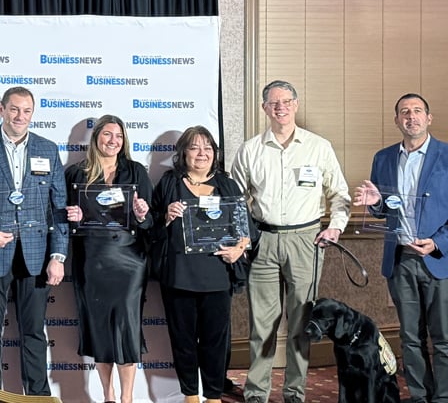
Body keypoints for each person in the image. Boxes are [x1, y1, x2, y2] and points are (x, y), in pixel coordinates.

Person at [230, 80, 351, 403]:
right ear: (264, 109)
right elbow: (236, 201)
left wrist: (335, 227)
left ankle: (295, 392)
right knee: (262, 325)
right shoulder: (250, 150)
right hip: (263, 241)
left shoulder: (319, 147)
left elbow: (340, 195)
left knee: (301, 322)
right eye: (273, 103)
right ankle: (257, 393)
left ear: (296, 105)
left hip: (306, 242)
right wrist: (243, 238)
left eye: (286, 101)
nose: (280, 107)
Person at [0, 86, 72, 397]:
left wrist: (58, 256)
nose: (20, 116)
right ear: (1, 110)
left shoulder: (48, 149)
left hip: (36, 255)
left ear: (33, 113)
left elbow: (59, 206)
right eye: (15, 109)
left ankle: (38, 397)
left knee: (34, 332)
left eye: (27, 111)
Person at [354, 93, 448, 403]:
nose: (411, 116)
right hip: (401, 260)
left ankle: (443, 397)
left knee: (444, 338)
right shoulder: (384, 158)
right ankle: (420, 397)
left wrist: (438, 242)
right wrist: (375, 202)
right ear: (397, 120)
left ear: (429, 118)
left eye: (418, 110)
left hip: (437, 258)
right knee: (410, 338)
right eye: (404, 112)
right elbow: (384, 210)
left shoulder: (446, 156)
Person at [151, 126, 250, 403]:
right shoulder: (170, 183)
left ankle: (214, 395)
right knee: (182, 339)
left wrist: (238, 249)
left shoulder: (227, 184)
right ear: (183, 152)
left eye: (207, 148)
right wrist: (167, 217)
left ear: (215, 154)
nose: (202, 153)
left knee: (215, 341)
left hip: (217, 274)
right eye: (195, 147)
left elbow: (245, 227)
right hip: (180, 274)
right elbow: (151, 225)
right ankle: (191, 395)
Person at [64, 115, 151, 403]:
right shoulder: (77, 173)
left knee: (126, 327)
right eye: (107, 135)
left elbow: (150, 222)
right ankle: (108, 396)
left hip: (129, 260)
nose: (113, 141)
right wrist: (71, 216)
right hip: (92, 259)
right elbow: (64, 220)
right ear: (96, 138)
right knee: (100, 328)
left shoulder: (136, 171)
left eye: (119, 136)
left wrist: (141, 214)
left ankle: (127, 397)